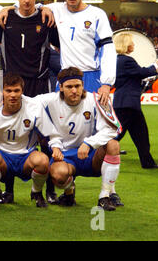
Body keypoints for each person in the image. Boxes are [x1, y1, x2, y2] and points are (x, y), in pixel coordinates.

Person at [0, 0, 61, 204]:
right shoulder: (4, 18)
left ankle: (47, 188)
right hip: (12, 84)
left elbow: (58, 47)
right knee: (10, 135)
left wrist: (46, 8)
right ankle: (8, 191)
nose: (28, 1)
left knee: (44, 136)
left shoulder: (46, 19)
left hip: (39, 83)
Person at [0, 0, 116, 106]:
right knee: (60, 122)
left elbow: (108, 50)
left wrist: (106, 82)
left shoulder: (97, 14)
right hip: (65, 77)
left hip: (91, 76)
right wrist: (9, 8)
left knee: (93, 122)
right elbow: (29, 4)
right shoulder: (56, 10)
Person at [36, 67, 123, 211]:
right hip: (65, 156)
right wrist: (1, 96)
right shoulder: (49, 100)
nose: (74, 90)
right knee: (58, 174)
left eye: (77, 86)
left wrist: (89, 143)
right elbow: (24, 101)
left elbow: (113, 129)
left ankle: (105, 196)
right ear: (61, 88)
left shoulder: (97, 99)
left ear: (83, 85)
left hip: (91, 156)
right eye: (69, 87)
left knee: (113, 145)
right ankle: (69, 191)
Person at [0, 73, 63, 208]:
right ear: (2, 92)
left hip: (26, 156)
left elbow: (51, 133)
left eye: (16, 91)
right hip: (2, 158)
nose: (12, 95)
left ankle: (36, 192)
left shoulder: (34, 108)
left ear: (22, 91)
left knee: (43, 161)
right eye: (8, 91)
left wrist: (56, 148)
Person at [113, 32, 158, 169]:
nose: (134, 44)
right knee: (120, 135)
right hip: (128, 104)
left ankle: (147, 162)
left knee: (140, 135)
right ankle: (95, 154)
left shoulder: (118, 60)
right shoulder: (126, 60)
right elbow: (141, 72)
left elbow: (132, 78)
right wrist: (155, 65)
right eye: (132, 42)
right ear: (126, 44)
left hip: (125, 102)